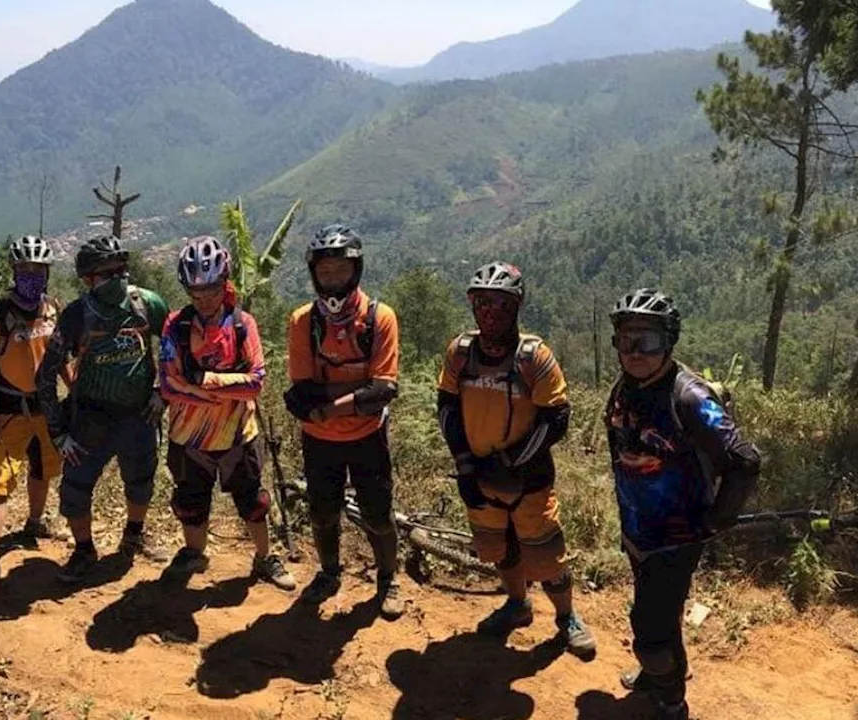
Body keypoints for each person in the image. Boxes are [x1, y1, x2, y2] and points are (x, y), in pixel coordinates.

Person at [604, 288, 760, 720]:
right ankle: (659, 673)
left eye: (647, 341)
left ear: (668, 341)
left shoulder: (689, 397)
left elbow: (745, 460)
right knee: (660, 612)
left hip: (677, 535)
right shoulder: (626, 388)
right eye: (626, 341)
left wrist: (717, 519)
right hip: (639, 528)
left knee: (649, 631)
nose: (635, 352)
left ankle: (671, 700)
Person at [436, 262, 595, 657]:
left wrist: (508, 462)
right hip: (478, 474)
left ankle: (566, 618)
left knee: (544, 553)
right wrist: (467, 466)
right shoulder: (460, 353)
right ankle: (517, 604)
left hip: (529, 477)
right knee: (498, 549)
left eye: (501, 305)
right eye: (482, 303)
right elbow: (447, 409)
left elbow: (555, 419)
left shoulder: (534, 357)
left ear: (516, 308)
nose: (490, 312)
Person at [156, 236, 295, 590]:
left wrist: (203, 382)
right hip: (188, 438)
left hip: (237, 436)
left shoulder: (242, 324)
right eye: (196, 293)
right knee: (189, 501)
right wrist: (220, 389)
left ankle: (264, 558)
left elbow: (257, 382)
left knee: (253, 501)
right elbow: (167, 385)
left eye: (212, 291)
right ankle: (193, 553)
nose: (205, 300)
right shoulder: (176, 325)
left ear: (225, 282)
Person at [283, 223, 403, 620]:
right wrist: (356, 395)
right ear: (314, 275)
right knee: (322, 511)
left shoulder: (379, 318)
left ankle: (388, 580)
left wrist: (329, 404)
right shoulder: (303, 321)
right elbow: (302, 393)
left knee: (378, 513)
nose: (333, 281)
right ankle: (330, 572)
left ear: (356, 271)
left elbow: (382, 392)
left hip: (367, 437)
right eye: (325, 273)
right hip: (319, 441)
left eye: (341, 271)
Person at [36, 235, 170, 584]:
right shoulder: (77, 315)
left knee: (140, 480)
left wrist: (163, 393)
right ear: (88, 279)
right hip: (91, 419)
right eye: (106, 273)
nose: (117, 278)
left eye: (121, 269)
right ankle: (83, 550)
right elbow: (46, 374)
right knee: (75, 489)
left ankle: (133, 535)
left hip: (139, 415)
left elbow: (176, 347)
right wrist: (59, 433)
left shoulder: (147, 304)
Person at [0, 235, 66, 597]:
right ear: (13, 271)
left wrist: (77, 394)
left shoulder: (52, 309)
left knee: (42, 469)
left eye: (38, 270)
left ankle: (34, 524)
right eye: (25, 270)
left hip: (46, 408)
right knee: (0, 485)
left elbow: (59, 361)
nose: (32, 277)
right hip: (9, 411)